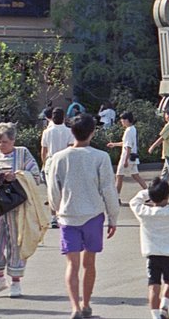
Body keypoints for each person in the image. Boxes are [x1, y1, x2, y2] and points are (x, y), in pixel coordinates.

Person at [47, 114, 121, 319]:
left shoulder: (58, 158)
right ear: (92, 132)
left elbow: (53, 189)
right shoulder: (100, 157)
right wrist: (113, 217)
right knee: (90, 263)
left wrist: (56, 209)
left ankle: (75, 307)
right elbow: (108, 189)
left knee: (72, 264)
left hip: (67, 215)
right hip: (93, 215)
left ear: (72, 131)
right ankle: (86, 304)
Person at [0, 121, 44, 298]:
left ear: (13, 140)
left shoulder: (23, 153)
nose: (1, 145)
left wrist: (17, 176)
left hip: (17, 207)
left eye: (4, 142)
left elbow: (36, 175)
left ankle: (16, 282)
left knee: (16, 242)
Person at [130, 177, 169, 319]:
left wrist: (149, 192)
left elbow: (135, 201)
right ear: (167, 195)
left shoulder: (145, 213)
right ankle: (164, 306)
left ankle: (155, 315)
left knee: (153, 285)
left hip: (152, 255)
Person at [42, 107, 75, 227]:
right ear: (64, 118)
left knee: (52, 190)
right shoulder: (69, 131)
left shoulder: (47, 132)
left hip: (51, 160)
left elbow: (43, 150)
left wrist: (44, 163)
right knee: (65, 189)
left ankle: (53, 217)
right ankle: (64, 214)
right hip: (65, 160)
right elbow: (71, 147)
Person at [108, 110, 149, 197]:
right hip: (132, 156)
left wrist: (126, 160)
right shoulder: (133, 129)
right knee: (135, 176)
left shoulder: (128, 131)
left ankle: (116, 197)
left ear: (127, 120)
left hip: (127, 157)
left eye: (122, 120)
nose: (121, 122)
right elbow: (126, 143)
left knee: (119, 176)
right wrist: (114, 144)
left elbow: (128, 146)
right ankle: (149, 194)